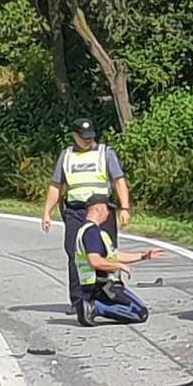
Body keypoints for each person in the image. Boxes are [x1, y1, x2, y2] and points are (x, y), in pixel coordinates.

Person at [41, 118, 132, 311]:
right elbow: (56, 185)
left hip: (102, 211)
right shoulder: (66, 156)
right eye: (83, 138)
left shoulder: (105, 153)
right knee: (76, 254)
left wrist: (125, 207)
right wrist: (46, 213)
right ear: (74, 136)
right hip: (76, 211)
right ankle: (80, 300)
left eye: (90, 137)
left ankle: (112, 294)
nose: (87, 141)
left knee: (107, 251)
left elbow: (119, 180)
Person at [74, 197, 163, 326]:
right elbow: (95, 261)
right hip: (103, 285)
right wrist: (119, 266)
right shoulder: (92, 232)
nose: (108, 213)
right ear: (98, 208)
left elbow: (113, 255)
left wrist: (143, 256)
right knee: (139, 313)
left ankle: (93, 305)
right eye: (107, 209)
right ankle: (95, 307)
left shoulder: (91, 231)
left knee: (137, 309)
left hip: (94, 285)